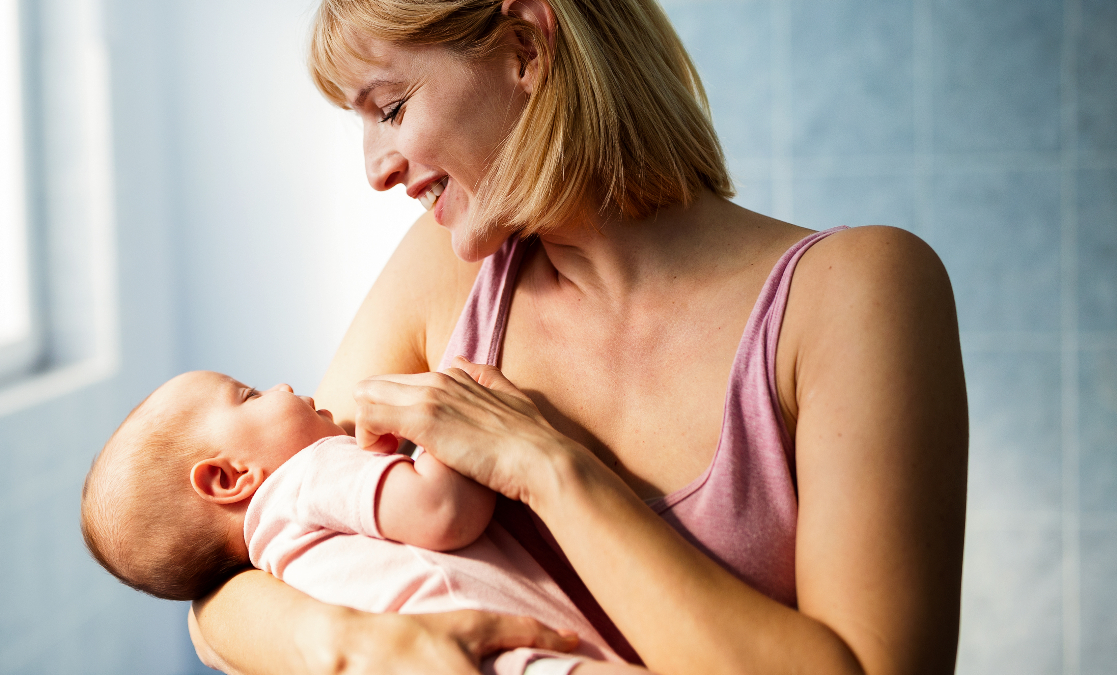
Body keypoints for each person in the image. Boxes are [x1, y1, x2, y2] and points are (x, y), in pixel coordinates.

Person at [190, 0, 970, 673]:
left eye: (390, 109)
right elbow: (235, 565)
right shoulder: (450, 270)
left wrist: (550, 470)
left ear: (525, 49)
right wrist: (355, 645)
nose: (376, 170)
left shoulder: (858, 292)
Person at [81, 370, 646, 675]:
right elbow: (443, 511)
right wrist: (453, 418)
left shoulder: (277, 561)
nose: (282, 386)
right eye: (249, 395)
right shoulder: (305, 476)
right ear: (230, 478)